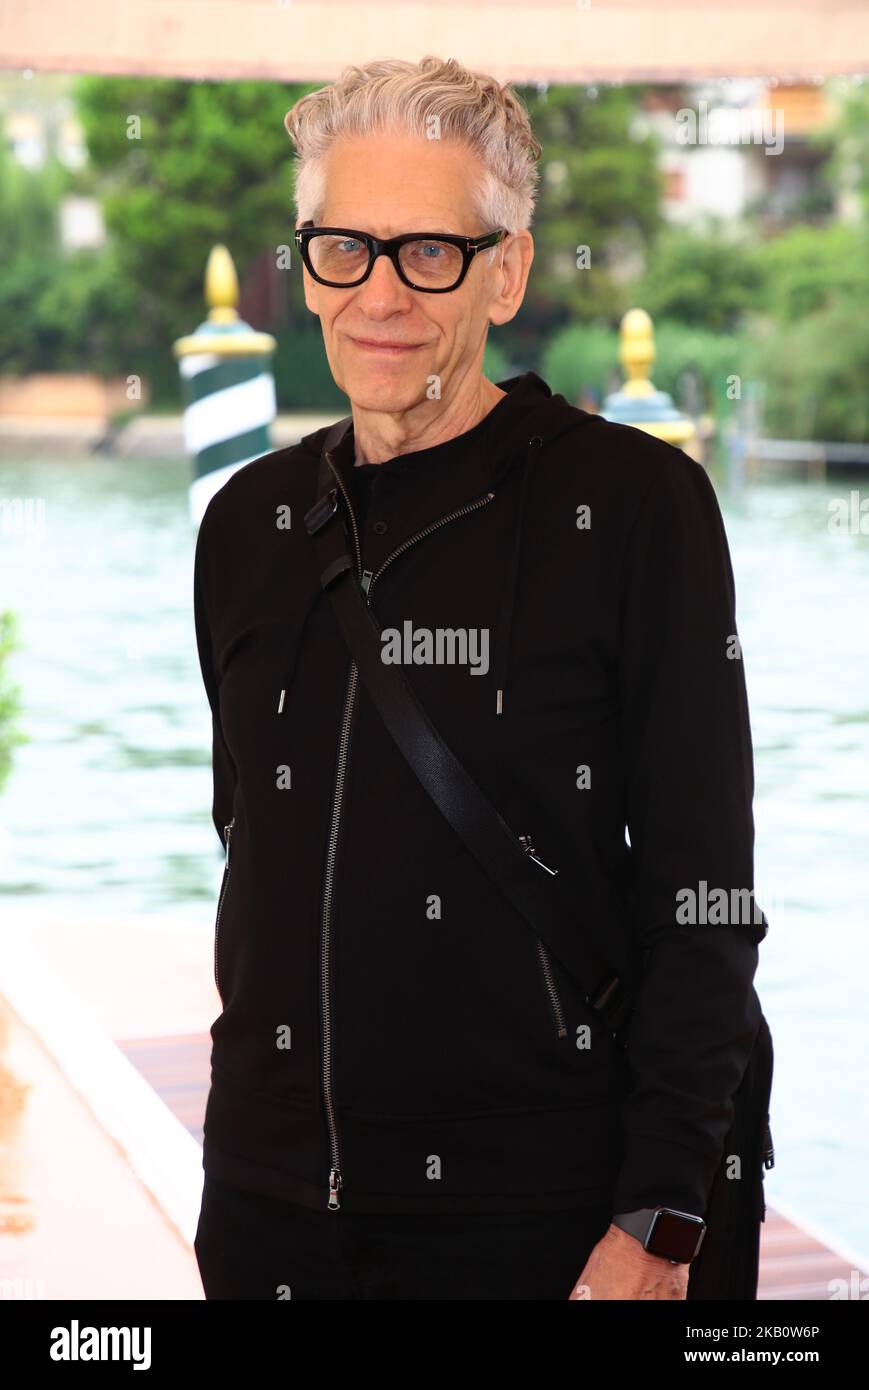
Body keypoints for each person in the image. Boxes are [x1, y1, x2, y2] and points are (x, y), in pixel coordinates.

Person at [191, 55, 765, 1300]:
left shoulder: (629, 505)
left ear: (505, 269)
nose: (379, 293)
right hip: (265, 1209)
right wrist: (238, 1184)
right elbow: (251, 833)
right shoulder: (248, 521)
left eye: (428, 252)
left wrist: (660, 1220)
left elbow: (705, 887)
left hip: (543, 1222)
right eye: (343, 246)